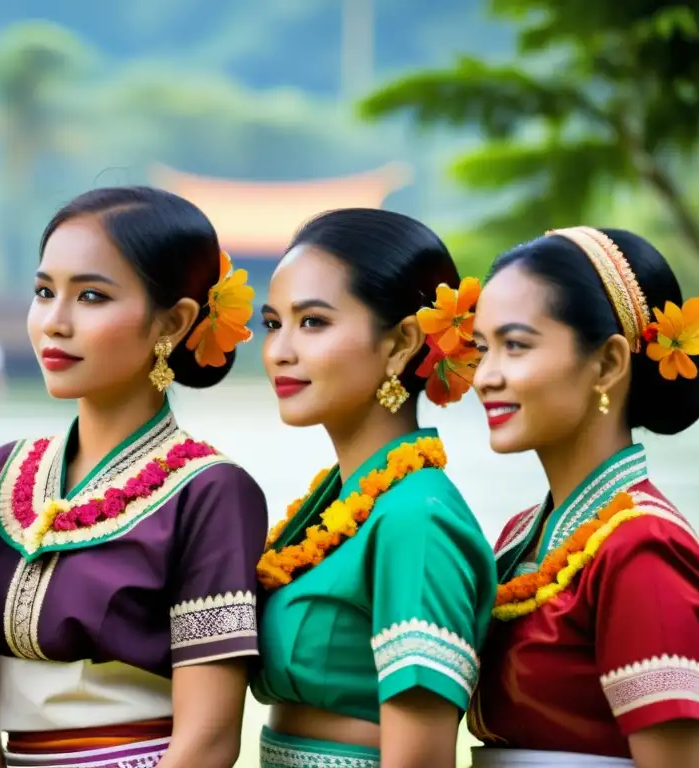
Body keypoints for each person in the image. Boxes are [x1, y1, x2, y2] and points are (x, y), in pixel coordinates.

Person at [0, 186, 269, 768]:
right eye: (44, 292)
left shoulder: (211, 492)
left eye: (91, 296)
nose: (54, 322)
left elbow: (211, 738)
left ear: (173, 321)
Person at [251, 208, 498, 768]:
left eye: (312, 322)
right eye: (273, 323)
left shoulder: (417, 519)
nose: (279, 351)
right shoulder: (336, 504)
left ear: (399, 343)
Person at [467, 226, 699, 767]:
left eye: (516, 346)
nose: (484, 376)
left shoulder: (642, 547)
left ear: (609, 363)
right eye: (482, 349)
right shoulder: (523, 535)